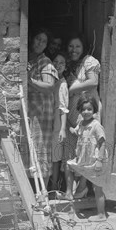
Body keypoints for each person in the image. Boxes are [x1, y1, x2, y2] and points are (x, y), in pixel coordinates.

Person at [63, 33, 102, 198]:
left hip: (86, 112)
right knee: (74, 151)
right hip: (73, 114)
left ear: (83, 47)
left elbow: (93, 82)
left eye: (77, 46)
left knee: (87, 149)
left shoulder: (90, 61)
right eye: (71, 46)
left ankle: (83, 187)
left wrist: (70, 90)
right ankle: (71, 190)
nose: (74, 50)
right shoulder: (70, 64)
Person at [67, 95, 107, 221]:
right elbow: (75, 132)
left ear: (94, 110)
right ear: (79, 110)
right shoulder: (81, 123)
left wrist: (100, 161)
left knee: (97, 188)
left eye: (89, 109)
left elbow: (102, 143)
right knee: (68, 166)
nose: (86, 112)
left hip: (95, 160)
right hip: (85, 160)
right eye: (83, 109)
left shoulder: (96, 125)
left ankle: (101, 214)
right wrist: (66, 122)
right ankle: (70, 195)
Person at [27, 27, 58, 189]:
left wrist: (29, 80)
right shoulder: (29, 59)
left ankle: (43, 194)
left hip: (42, 115)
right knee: (31, 149)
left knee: (41, 149)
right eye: (38, 39)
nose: (40, 43)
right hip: (32, 112)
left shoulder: (44, 61)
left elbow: (49, 86)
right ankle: (31, 193)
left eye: (44, 41)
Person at [50, 52, 69, 192]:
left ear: (66, 66)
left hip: (57, 125)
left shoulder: (62, 84)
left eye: (62, 63)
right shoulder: (51, 81)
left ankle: (55, 185)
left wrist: (62, 128)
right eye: (55, 62)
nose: (58, 65)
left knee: (56, 157)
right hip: (48, 123)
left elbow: (63, 108)